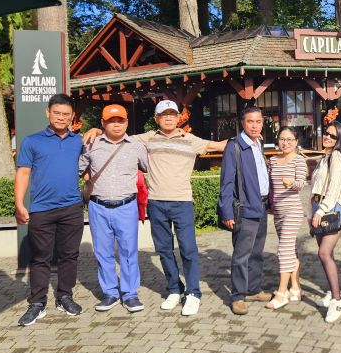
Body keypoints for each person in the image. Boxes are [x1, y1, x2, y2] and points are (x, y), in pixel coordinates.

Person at [83, 99, 227, 316]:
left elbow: (221, 145)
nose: (168, 118)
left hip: (182, 202)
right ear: (156, 118)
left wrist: (248, 136)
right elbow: (116, 136)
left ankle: (193, 293)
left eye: (172, 114)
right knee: (164, 250)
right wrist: (93, 129)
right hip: (156, 202)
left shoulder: (191, 140)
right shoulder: (145, 139)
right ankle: (173, 289)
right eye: (164, 114)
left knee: (188, 250)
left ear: (179, 117)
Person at [15, 94, 85, 326]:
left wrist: (93, 131)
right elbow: (23, 173)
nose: (61, 117)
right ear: (48, 113)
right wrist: (19, 203)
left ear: (72, 116)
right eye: (57, 113)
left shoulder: (78, 141)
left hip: (72, 208)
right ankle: (37, 303)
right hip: (42, 210)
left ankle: (65, 296)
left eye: (66, 114)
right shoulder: (32, 141)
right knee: (40, 258)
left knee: (69, 256)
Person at [79, 104, 149, 313]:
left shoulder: (136, 145)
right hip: (98, 206)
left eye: (120, 120)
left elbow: (149, 167)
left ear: (127, 122)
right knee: (103, 252)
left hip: (127, 206)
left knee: (128, 252)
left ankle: (129, 294)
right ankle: (110, 293)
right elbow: (80, 168)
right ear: (103, 123)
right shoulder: (91, 144)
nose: (116, 124)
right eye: (111, 121)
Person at [220, 106, 273, 315]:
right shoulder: (235, 147)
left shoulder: (258, 144)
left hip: (260, 206)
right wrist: (226, 212)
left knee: (257, 253)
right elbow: (226, 182)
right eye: (250, 121)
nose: (254, 125)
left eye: (258, 121)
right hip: (244, 208)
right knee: (242, 254)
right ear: (242, 122)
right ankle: (238, 296)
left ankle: (253, 289)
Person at [310, 121, 341, 323]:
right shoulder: (324, 157)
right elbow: (316, 188)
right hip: (319, 208)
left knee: (324, 253)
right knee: (327, 255)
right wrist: (313, 211)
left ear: (339, 139)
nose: (327, 137)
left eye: (333, 136)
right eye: (326, 133)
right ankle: (332, 290)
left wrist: (322, 210)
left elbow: (334, 186)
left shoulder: (335, 155)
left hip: (331, 209)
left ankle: (337, 298)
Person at [265, 126, 307, 310]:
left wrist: (291, 183)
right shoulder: (273, 160)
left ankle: (281, 292)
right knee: (290, 249)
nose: (286, 143)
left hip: (293, 211)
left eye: (290, 139)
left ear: (296, 142)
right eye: (282, 139)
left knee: (283, 250)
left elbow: (302, 183)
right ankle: (296, 288)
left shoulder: (299, 160)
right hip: (278, 212)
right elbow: (269, 186)